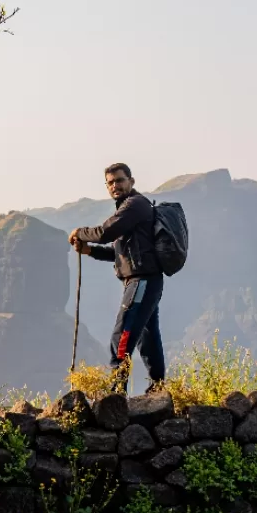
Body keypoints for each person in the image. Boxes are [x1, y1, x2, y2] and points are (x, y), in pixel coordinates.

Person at [69, 163, 165, 390]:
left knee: (123, 334)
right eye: (110, 182)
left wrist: (80, 232)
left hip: (141, 281)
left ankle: (116, 390)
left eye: (120, 180)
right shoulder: (131, 209)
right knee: (147, 338)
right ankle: (159, 389)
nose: (115, 186)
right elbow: (119, 253)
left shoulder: (135, 205)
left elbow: (105, 233)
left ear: (131, 181)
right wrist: (90, 251)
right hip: (144, 280)